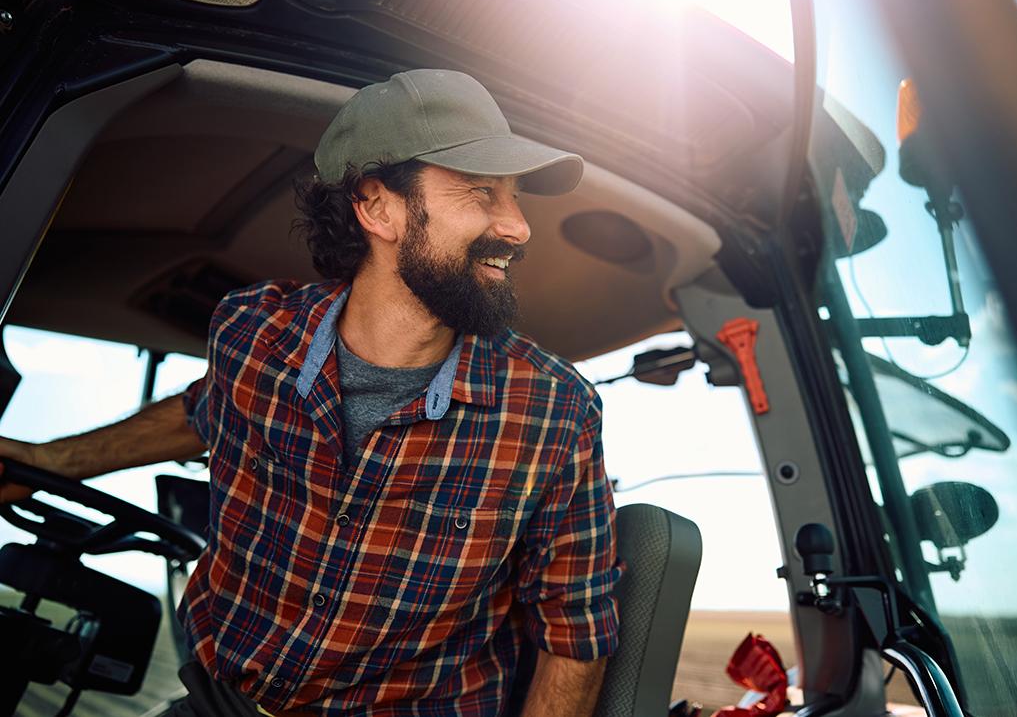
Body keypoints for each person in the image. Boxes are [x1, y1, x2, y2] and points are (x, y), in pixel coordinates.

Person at [0, 69, 622, 716]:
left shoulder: (553, 411)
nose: (518, 226)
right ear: (377, 205)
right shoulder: (253, 335)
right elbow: (205, 411)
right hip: (218, 703)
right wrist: (51, 462)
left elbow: (573, 634)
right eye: (483, 193)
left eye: (516, 197)